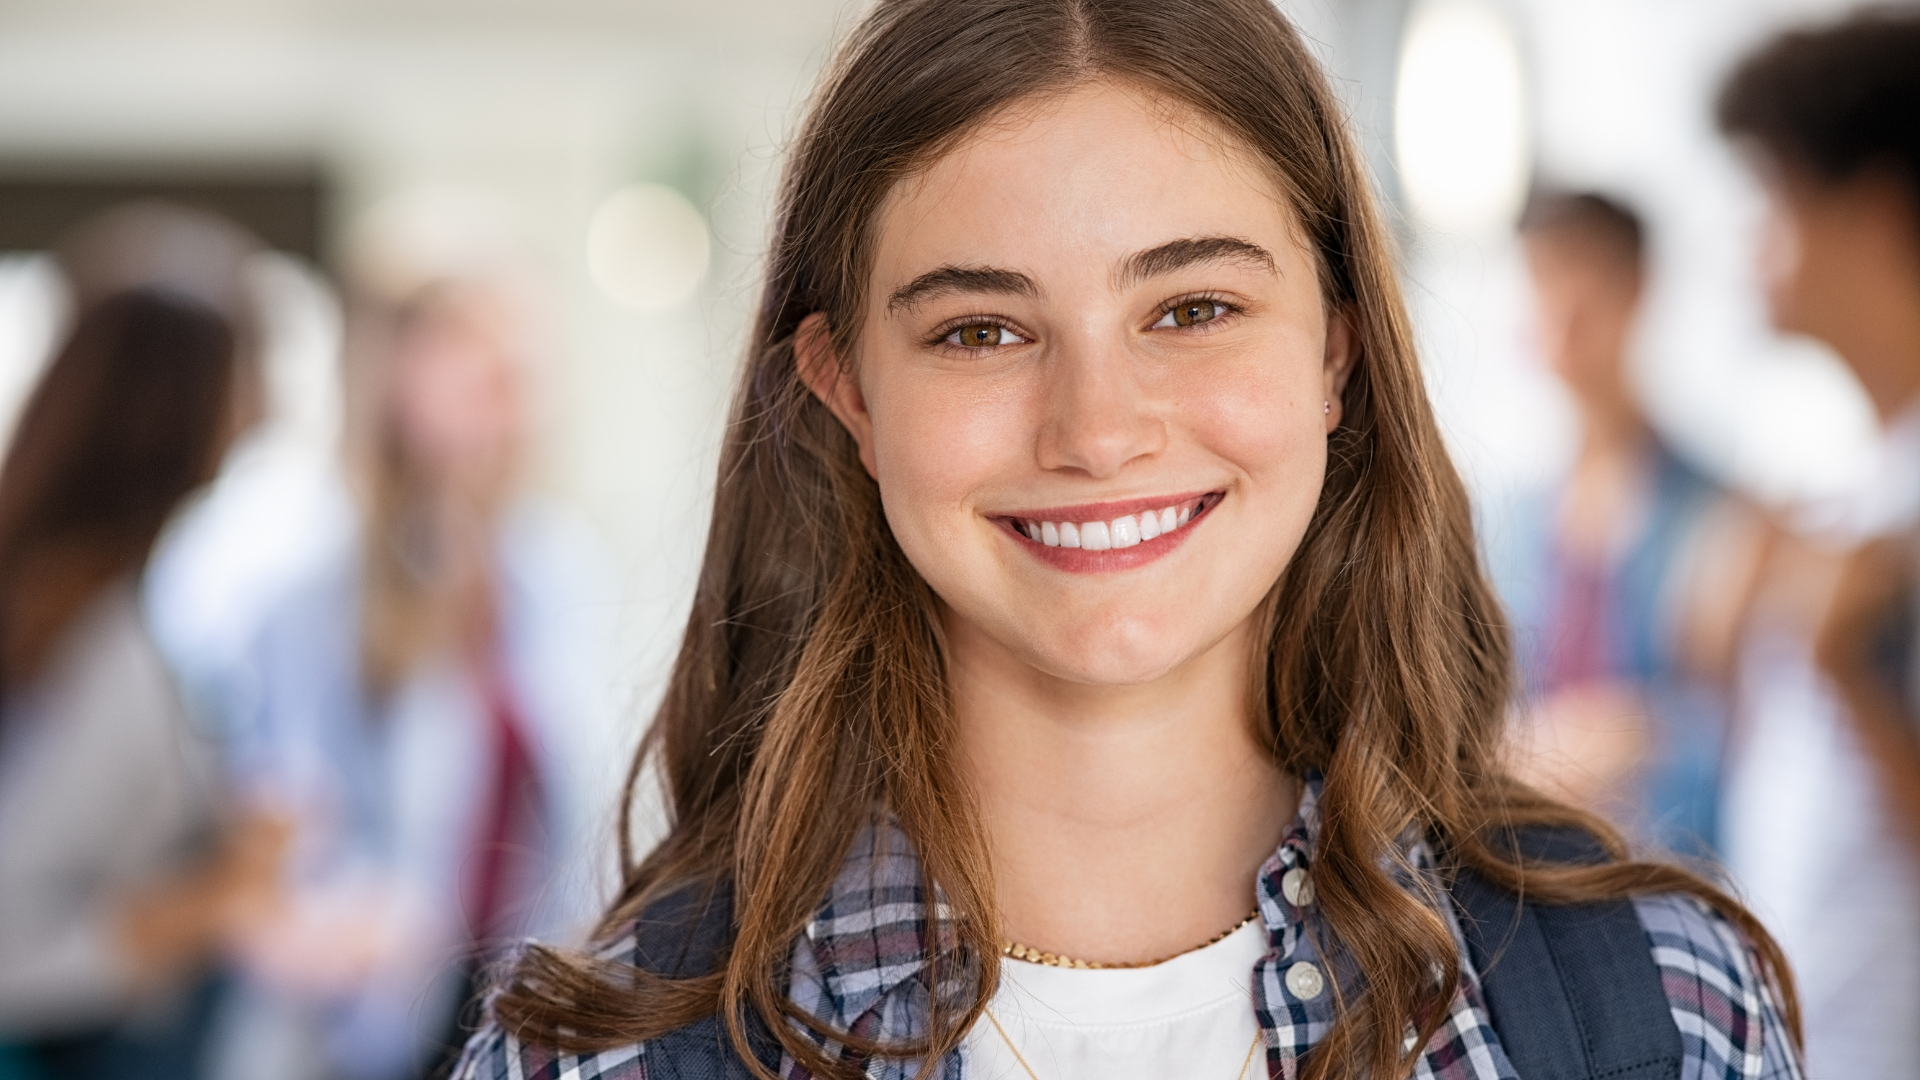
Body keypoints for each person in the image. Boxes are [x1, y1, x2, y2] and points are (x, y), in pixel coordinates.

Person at [458, 2, 1803, 1078]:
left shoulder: (1665, 1007)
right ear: (849, 394)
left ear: (1335, 348)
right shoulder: (593, 1061)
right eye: (980, 330)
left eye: (1192, 308)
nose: (1098, 432)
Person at [212, 261, 624, 1080]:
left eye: (513, 346)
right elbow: (276, 824)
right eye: (467, 341)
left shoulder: (552, 567)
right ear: (393, 376)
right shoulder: (309, 580)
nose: (505, 368)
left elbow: (581, 808)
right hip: (351, 1032)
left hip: (515, 1015)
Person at [0, 204, 284, 1080]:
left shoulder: (100, 603)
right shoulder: (94, 641)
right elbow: (13, 938)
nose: (266, 411)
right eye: (250, 373)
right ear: (178, 400)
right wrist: (212, 900)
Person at [1713, 10, 1920, 1077]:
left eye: (1779, 201)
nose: (1753, 243)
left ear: (1878, 217)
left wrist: (1845, 667)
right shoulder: (1858, 479)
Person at [1494, 191, 1756, 855]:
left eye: (1581, 277)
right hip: (1534, 878)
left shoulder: (1722, 517)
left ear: (1635, 289)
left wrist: (1636, 732)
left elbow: (1749, 735)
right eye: (1542, 279)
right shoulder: (1502, 525)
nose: (1561, 307)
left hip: (1676, 875)